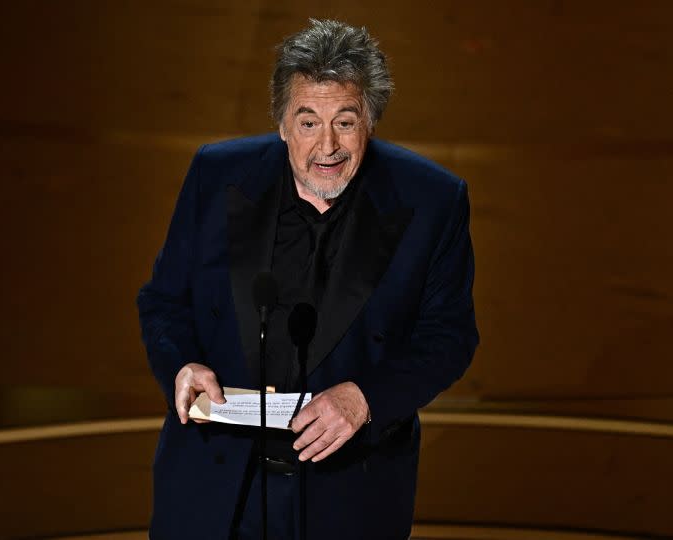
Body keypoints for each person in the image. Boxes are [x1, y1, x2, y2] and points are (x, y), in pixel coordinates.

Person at [137, 18, 478, 540]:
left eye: (345, 121)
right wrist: (181, 365)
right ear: (281, 124)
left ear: (370, 120)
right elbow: (164, 302)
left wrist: (365, 399)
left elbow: (449, 338)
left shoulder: (433, 200)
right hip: (215, 489)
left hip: (346, 495)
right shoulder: (215, 173)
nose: (327, 146)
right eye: (307, 121)